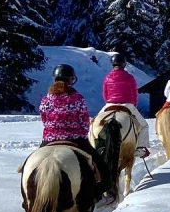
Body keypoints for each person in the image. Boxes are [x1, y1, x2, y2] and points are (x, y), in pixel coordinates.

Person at [39, 63, 111, 199]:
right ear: (71, 79)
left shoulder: (45, 99)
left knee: (32, 163)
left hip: (49, 139)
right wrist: (82, 134)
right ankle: (99, 191)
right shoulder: (78, 98)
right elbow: (84, 122)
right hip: (76, 139)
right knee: (101, 166)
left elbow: (44, 119)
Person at [98, 52, 151, 158]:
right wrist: (134, 106)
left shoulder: (107, 77)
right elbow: (134, 93)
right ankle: (140, 149)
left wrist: (109, 103)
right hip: (127, 105)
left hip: (109, 104)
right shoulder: (129, 77)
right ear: (124, 64)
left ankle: (95, 147)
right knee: (144, 126)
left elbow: (105, 93)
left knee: (94, 123)